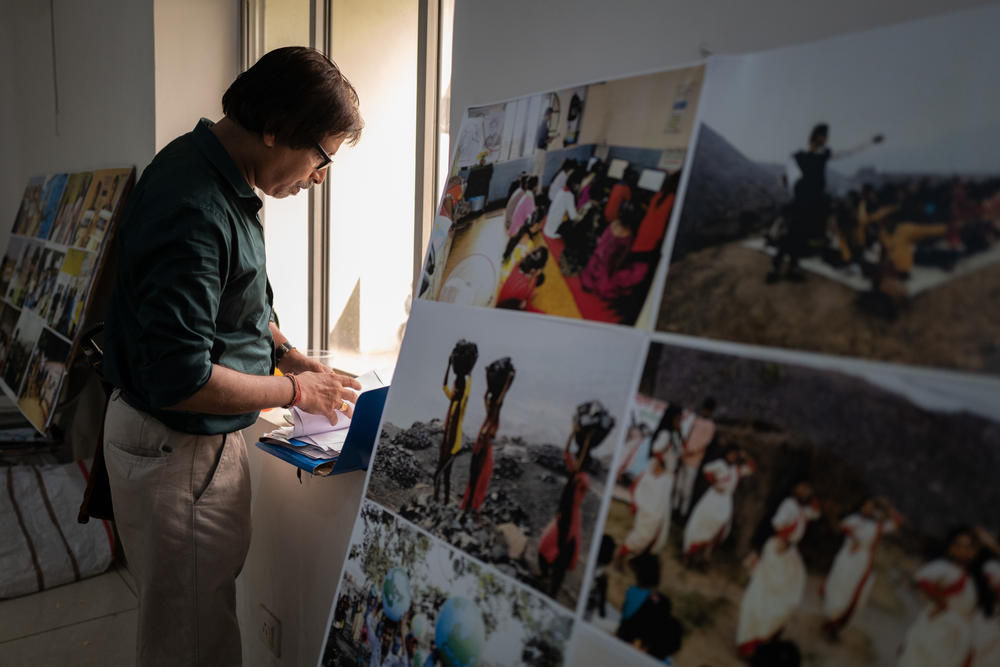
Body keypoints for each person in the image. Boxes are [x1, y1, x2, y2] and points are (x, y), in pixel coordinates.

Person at [101, 47, 364, 667]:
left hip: (175, 447)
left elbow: (233, 299)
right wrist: (299, 394)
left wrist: (287, 354)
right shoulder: (196, 205)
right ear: (275, 128)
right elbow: (182, 378)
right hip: (177, 449)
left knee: (187, 621)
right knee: (193, 639)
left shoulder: (212, 171)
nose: (320, 176)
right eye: (322, 157)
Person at [768, 123, 883, 282]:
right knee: (791, 235)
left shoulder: (824, 154)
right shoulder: (798, 155)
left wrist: (869, 142)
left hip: (813, 201)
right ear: (816, 137)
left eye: (826, 136)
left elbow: (847, 152)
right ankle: (776, 268)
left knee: (801, 235)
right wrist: (793, 190)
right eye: (823, 136)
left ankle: (792, 268)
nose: (825, 139)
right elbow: (789, 179)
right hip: (802, 201)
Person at [737, 481, 820, 659]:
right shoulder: (788, 504)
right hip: (777, 550)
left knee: (785, 598)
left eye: (808, 488)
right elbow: (778, 523)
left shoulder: (802, 509)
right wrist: (784, 539)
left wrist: (811, 498)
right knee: (763, 594)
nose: (805, 490)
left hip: (790, 554)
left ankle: (766, 637)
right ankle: (750, 640)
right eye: (802, 487)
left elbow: (816, 512)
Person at [820, 497, 902, 639]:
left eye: (872, 507)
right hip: (845, 559)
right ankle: (829, 619)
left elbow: (896, 523)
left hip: (861, 564)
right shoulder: (852, 519)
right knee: (837, 587)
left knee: (851, 593)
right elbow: (838, 527)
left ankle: (836, 627)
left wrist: (887, 506)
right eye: (866, 506)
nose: (868, 509)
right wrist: (831, 512)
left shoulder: (877, 526)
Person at [898, 527, 980, 667]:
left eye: (968, 547)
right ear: (951, 548)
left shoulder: (974, 580)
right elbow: (920, 580)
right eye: (958, 546)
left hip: (958, 635)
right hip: (939, 626)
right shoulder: (943, 567)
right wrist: (938, 598)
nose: (963, 551)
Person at [618, 405, 681, 560]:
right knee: (649, 522)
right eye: (678, 419)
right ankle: (622, 554)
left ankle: (637, 557)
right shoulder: (666, 434)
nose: (680, 422)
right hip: (658, 483)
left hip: (664, 483)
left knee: (658, 524)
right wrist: (661, 465)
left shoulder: (674, 436)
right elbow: (656, 451)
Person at [682, 446, 754, 567]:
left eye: (735, 455)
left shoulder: (737, 470)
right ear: (726, 455)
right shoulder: (719, 464)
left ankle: (704, 559)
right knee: (701, 522)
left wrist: (746, 456)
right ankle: (689, 554)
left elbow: (751, 468)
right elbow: (706, 469)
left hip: (725, 501)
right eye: (730, 454)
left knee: (719, 528)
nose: (732, 457)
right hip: (712, 497)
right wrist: (715, 482)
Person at [461, 357, 515, 515]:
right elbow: (487, 398)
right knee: (473, 478)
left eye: (492, 402)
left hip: (485, 454)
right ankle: (468, 505)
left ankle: (473, 507)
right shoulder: (488, 416)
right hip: (479, 450)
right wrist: (487, 380)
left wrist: (506, 384)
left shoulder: (493, 417)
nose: (490, 403)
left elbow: (498, 401)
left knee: (480, 481)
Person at [433, 340, 477, 504]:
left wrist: (470, 371)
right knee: (445, 475)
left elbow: (468, 387)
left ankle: (440, 499)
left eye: (457, 389)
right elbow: (444, 385)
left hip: (454, 446)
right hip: (447, 444)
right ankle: (441, 500)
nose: (455, 390)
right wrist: (448, 364)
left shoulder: (461, 403)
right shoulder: (452, 401)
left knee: (439, 473)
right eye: (455, 388)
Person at [673, 397, 717, 520]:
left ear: (710, 412)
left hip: (694, 460)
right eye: (703, 409)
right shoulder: (696, 420)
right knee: (678, 485)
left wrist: (689, 452)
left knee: (687, 488)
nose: (704, 412)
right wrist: (684, 448)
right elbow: (688, 435)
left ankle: (683, 514)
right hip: (684, 456)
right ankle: (674, 508)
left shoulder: (711, 426)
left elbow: (704, 444)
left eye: (707, 410)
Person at [533, 107, 559, 178]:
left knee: (536, 173)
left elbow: (543, 139)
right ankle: (537, 188)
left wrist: (552, 137)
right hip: (541, 151)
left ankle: (536, 188)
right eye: (550, 115)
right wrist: (555, 137)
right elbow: (546, 140)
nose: (551, 117)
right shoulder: (544, 126)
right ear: (547, 115)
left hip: (538, 151)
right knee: (539, 174)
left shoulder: (541, 125)